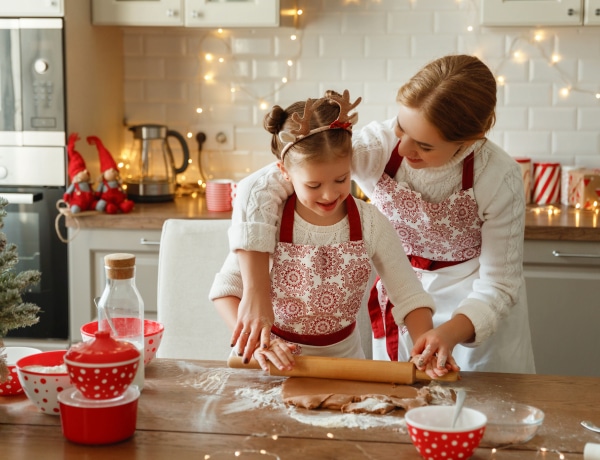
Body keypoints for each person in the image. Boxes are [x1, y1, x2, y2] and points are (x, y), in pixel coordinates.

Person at [224, 55, 536, 375]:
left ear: (469, 140)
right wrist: (256, 294)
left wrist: (447, 334)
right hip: (405, 302)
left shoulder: (498, 176)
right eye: (401, 127)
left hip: (474, 305)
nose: (401, 149)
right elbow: (263, 183)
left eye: (425, 146)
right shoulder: (377, 146)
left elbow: (499, 285)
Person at [209, 90, 437, 372]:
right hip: (274, 364)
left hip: (346, 366)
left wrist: (426, 346)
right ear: (285, 172)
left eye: (341, 179)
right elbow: (226, 290)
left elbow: (410, 296)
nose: (329, 195)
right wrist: (258, 343)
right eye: (314, 185)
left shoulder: (371, 223)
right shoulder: (270, 221)